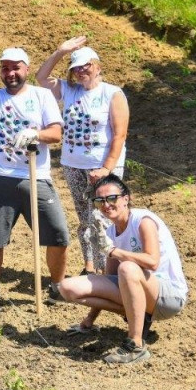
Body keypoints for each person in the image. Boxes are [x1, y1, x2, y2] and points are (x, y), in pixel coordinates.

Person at [0, 28, 70, 313]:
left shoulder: (42, 96)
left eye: (15, 68)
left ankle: (57, 286)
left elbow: (56, 133)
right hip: (0, 177)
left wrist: (36, 134)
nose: (10, 73)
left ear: (26, 69)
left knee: (58, 234)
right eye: (5, 68)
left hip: (36, 176)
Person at [57, 175, 188, 365]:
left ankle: (135, 344)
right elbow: (109, 278)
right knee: (67, 288)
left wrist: (112, 251)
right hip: (140, 293)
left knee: (127, 268)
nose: (106, 205)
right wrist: (89, 320)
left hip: (168, 296)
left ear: (126, 199)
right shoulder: (110, 232)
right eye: (99, 201)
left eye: (112, 198)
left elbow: (152, 262)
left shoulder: (143, 220)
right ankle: (139, 315)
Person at [35, 36, 129, 274]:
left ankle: (107, 270)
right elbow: (41, 78)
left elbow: (120, 134)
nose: (80, 71)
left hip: (102, 167)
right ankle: (89, 267)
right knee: (85, 219)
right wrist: (60, 52)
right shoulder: (69, 90)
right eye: (76, 68)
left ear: (97, 66)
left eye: (85, 66)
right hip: (73, 164)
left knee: (102, 218)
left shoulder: (112, 93)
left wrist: (106, 168)